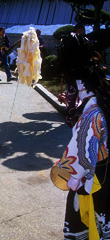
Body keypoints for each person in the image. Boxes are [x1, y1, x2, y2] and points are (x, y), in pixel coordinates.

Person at [56, 33, 110, 239]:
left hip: (95, 176)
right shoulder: (102, 92)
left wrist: (71, 175)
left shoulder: (91, 111)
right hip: (105, 168)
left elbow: (81, 157)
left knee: (88, 225)